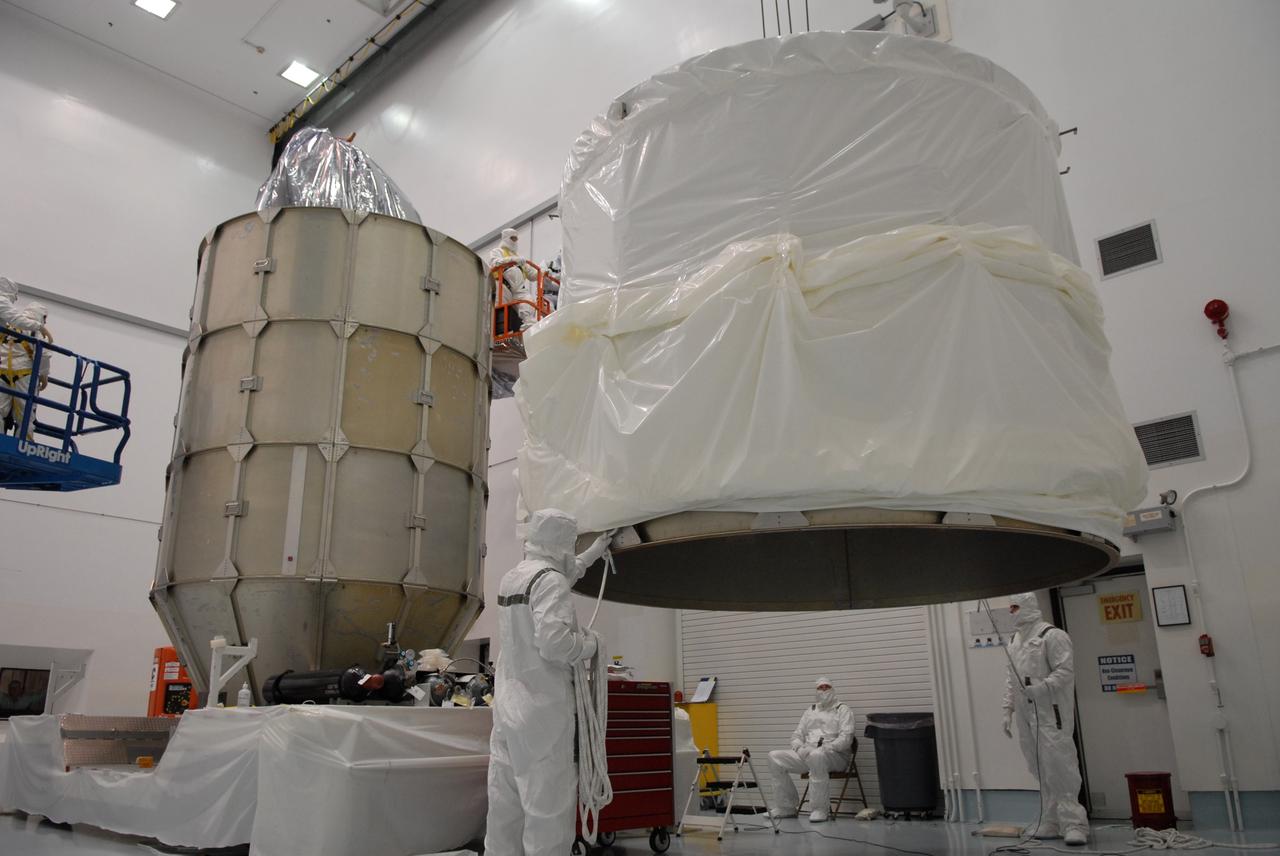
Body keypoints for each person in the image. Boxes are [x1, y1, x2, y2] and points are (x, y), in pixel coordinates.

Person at [484, 509, 612, 856]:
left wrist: (594, 552)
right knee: (547, 808)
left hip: (509, 709)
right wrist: (590, 645)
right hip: (544, 713)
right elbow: (555, 643)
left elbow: (559, 577)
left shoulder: (513, 578)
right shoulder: (551, 581)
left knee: (505, 806)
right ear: (562, 543)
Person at [1002, 592, 1089, 846]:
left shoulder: (1052, 636)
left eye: (1015, 607)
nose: (1012, 613)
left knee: (1059, 766)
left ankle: (1074, 824)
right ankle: (1050, 820)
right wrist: (1007, 709)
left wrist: (1042, 688)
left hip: (1050, 713)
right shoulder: (1014, 641)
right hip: (1026, 714)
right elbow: (1011, 679)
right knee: (1038, 766)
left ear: (1028, 606)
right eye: (1010, 608)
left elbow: (1065, 671)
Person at [767, 676, 856, 822]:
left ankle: (820, 809)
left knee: (817, 756)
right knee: (774, 757)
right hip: (809, 753)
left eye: (827, 687)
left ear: (833, 689)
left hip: (836, 756)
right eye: (820, 688)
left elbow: (846, 738)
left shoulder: (842, 709)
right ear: (815, 691)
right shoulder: (811, 710)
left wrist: (826, 747)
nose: (824, 690)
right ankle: (786, 807)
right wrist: (799, 748)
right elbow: (797, 735)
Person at [0, 301, 52, 437]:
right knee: (25, 414)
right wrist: (44, 376)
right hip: (24, 376)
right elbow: (44, 355)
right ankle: (23, 442)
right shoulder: (35, 330)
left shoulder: (9, 325)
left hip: (2, 374)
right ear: (42, 316)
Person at [489, 229, 540, 328]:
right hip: (503, 286)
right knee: (500, 310)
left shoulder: (519, 258)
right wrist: (511, 260)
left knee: (528, 301)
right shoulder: (498, 251)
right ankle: (499, 329)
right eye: (512, 238)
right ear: (506, 238)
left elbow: (532, 275)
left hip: (519, 289)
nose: (515, 241)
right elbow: (494, 263)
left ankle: (529, 326)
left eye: (516, 239)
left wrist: (542, 271)